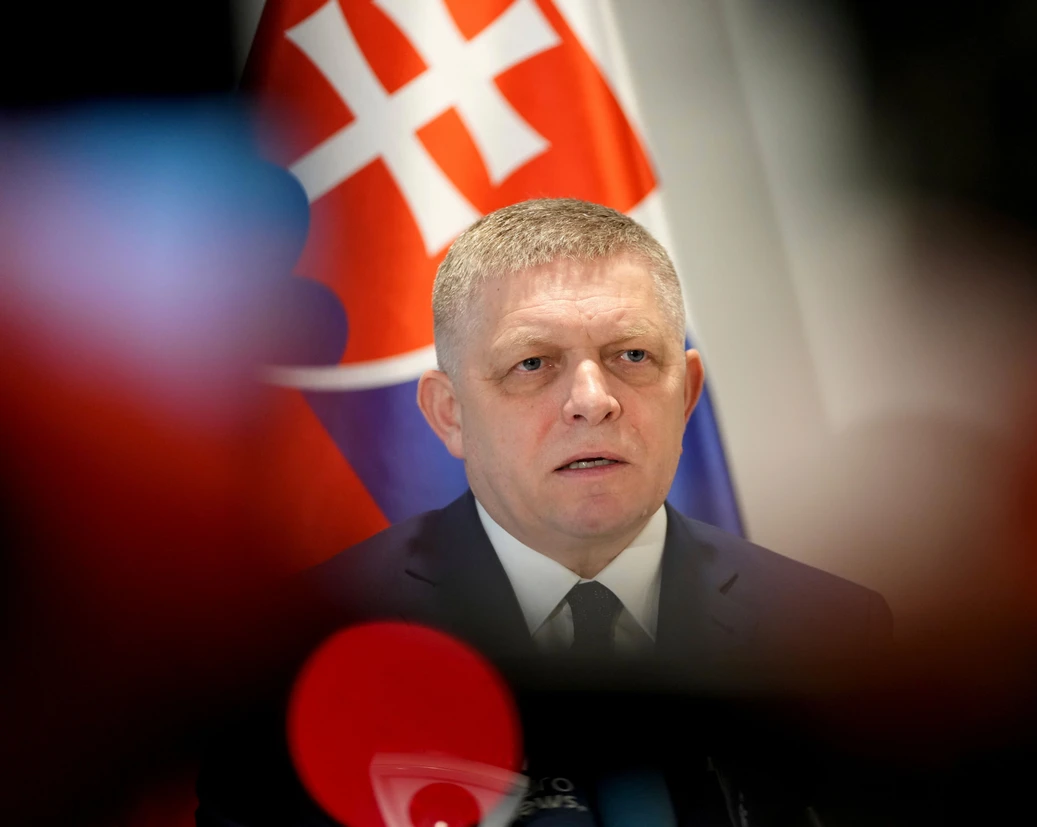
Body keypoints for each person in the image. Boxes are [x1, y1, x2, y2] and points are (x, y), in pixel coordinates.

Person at [197, 198, 893, 827]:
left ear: (686, 395)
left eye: (632, 354)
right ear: (450, 414)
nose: (594, 399)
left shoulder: (832, 635)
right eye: (532, 363)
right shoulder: (298, 657)